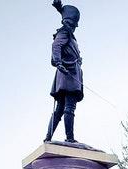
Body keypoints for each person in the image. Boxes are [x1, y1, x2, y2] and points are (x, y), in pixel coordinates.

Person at [44, 1, 84, 144]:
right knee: (68, 108)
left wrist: (60, 9)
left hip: (67, 74)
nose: (74, 27)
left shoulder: (68, 34)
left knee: (60, 109)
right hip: (68, 74)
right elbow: (56, 46)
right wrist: (59, 62)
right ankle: (70, 138)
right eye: (73, 24)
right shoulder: (65, 32)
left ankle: (48, 137)